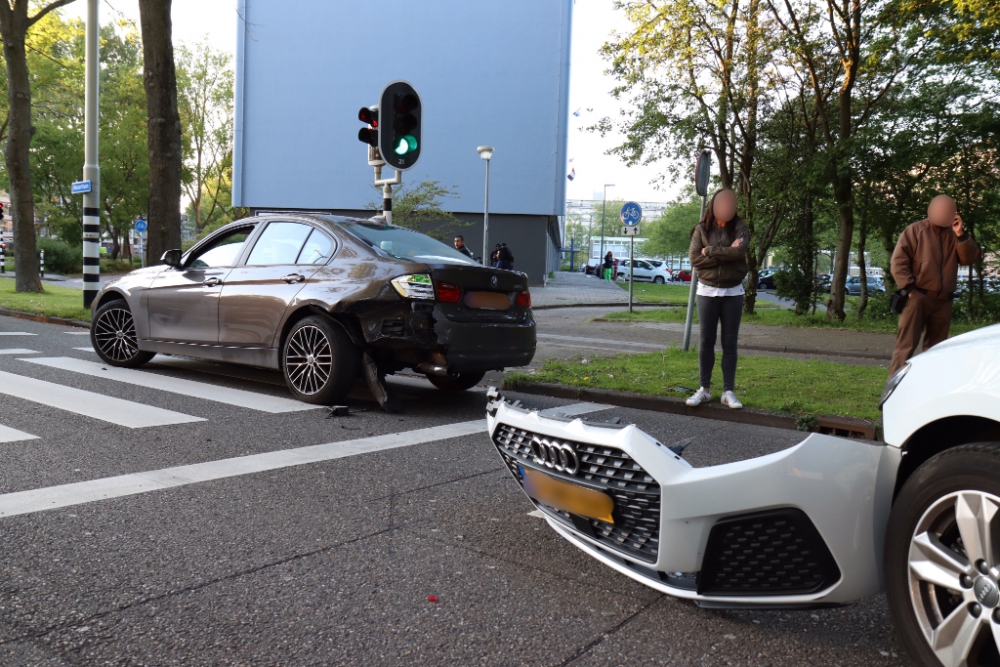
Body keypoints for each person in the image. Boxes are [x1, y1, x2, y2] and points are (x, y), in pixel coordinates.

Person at [888, 194, 980, 376]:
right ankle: (892, 392)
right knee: (905, 346)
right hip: (918, 298)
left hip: (943, 301)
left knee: (936, 350)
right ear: (930, 210)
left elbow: (968, 258)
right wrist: (909, 289)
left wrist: (960, 235)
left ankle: (928, 388)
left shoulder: (955, 235)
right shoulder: (915, 231)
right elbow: (898, 262)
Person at [685, 188, 749, 409]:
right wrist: (723, 253)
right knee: (706, 342)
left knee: (729, 343)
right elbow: (694, 259)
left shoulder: (740, 228)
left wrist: (709, 251)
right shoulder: (701, 229)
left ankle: (728, 392)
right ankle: (704, 389)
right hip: (707, 293)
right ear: (713, 205)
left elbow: (738, 254)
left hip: (733, 293)